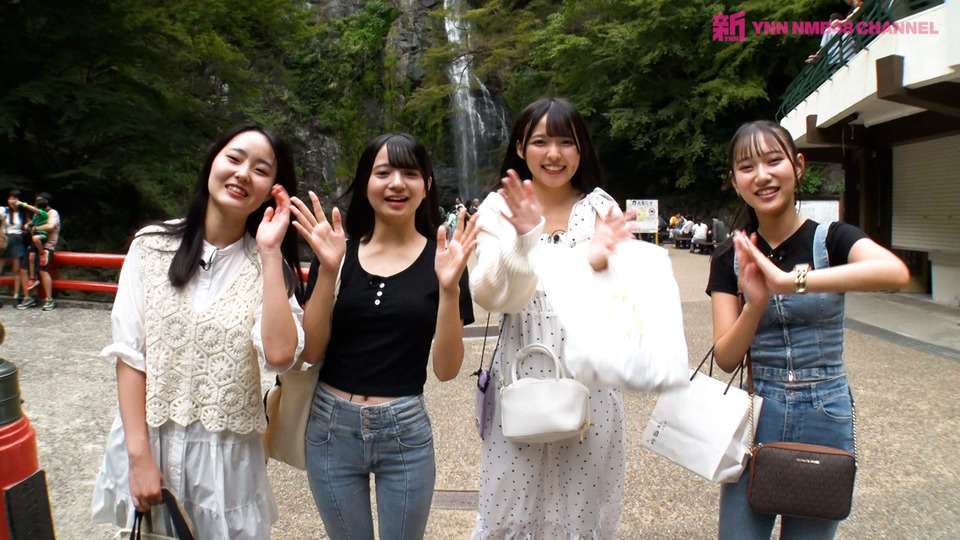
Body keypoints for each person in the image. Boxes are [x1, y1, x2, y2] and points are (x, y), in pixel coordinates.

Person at [92, 125, 305, 539]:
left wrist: (270, 250)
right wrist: (138, 458)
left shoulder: (268, 267)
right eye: (234, 158)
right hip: (151, 445)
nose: (243, 174)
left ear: (271, 191)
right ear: (212, 163)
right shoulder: (151, 247)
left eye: (261, 170)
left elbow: (280, 356)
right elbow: (130, 356)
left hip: (225, 466)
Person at [707, 120, 909, 539]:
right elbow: (725, 356)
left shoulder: (833, 239)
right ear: (735, 182)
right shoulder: (730, 256)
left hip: (825, 413)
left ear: (798, 166)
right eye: (747, 167)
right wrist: (755, 304)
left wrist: (790, 282)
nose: (762, 175)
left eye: (773, 160)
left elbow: (894, 272)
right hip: (756, 414)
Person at [292, 133, 477, 539]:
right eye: (383, 173)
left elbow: (446, 370)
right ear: (365, 183)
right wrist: (328, 270)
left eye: (410, 173)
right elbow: (311, 350)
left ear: (426, 185)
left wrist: (449, 289)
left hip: (404, 430)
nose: (396, 183)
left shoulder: (444, 261)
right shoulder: (336, 253)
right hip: (330, 427)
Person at [470, 97, 634, 538]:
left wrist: (603, 269)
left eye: (566, 142)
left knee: (581, 505)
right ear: (520, 148)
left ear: (582, 149)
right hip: (519, 372)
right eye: (541, 142)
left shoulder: (601, 208)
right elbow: (491, 295)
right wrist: (525, 240)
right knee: (510, 500)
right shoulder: (498, 208)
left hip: (592, 383)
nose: (554, 154)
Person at [16, 193, 60, 311]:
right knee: (23, 269)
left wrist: (35, 228)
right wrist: (28, 226)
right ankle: (28, 297)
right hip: (33, 245)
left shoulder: (52, 213)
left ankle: (49, 299)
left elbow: (50, 226)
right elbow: (28, 224)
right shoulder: (37, 214)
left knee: (43, 270)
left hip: (46, 246)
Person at [0, 190, 26, 307]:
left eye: (15, 198)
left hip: (17, 239)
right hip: (4, 240)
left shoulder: (23, 213)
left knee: (16, 270)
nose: (12, 201)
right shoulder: (3, 211)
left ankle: (16, 296)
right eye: (10, 198)